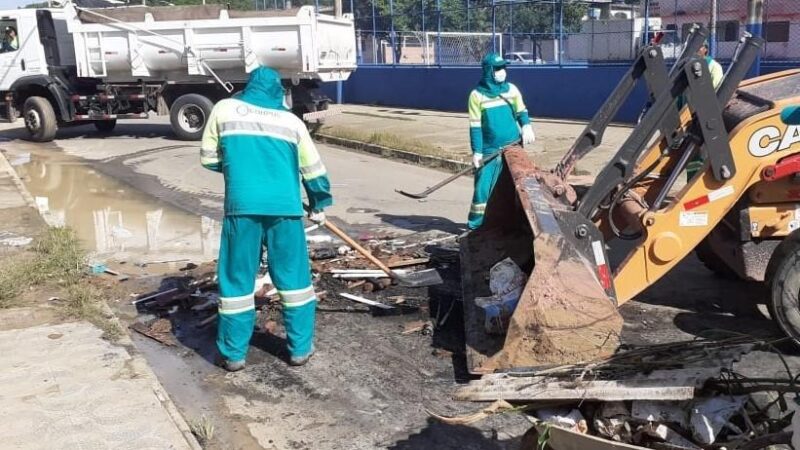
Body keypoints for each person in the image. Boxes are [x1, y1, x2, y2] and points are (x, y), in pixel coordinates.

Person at [200, 66, 332, 371]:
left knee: (237, 280)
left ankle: (233, 355)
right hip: (285, 209)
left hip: (242, 207)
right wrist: (318, 203)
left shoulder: (224, 109)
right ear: (278, 91)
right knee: (295, 279)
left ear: (250, 87)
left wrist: (240, 171)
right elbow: (314, 171)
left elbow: (208, 158)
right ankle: (299, 349)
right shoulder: (291, 121)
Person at [467, 52, 535, 230]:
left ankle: (512, 226)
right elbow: (475, 127)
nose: (502, 71)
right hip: (490, 151)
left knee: (516, 187)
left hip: (513, 148)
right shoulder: (476, 96)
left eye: (503, 68)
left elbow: (521, 111)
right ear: (489, 71)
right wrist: (477, 151)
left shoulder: (511, 90)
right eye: (497, 69)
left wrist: (526, 126)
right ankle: (476, 227)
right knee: (482, 190)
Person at [685, 41, 724, 179]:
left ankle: (701, 182)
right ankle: (691, 182)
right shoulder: (688, 66)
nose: (695, 49)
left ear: (705, 50)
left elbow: (715, 92)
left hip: (706, 116)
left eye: (699, 46)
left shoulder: (714, 67)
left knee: (703, 152)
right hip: (692, 115)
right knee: (692, 153)